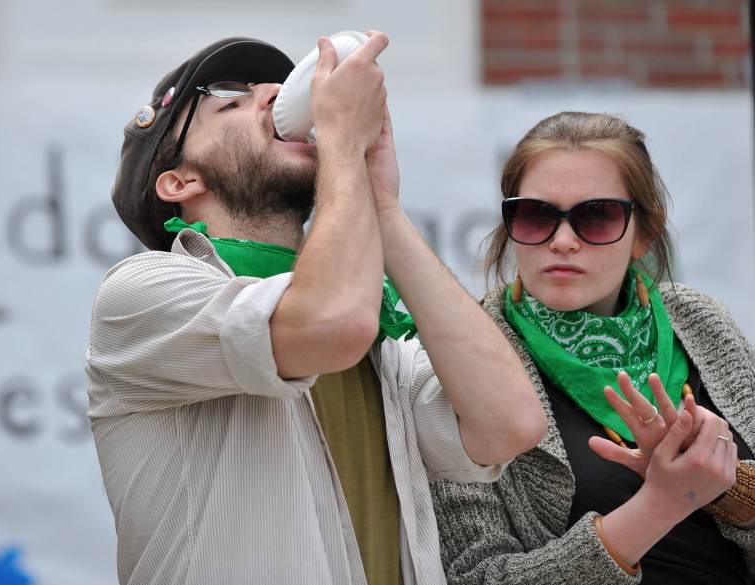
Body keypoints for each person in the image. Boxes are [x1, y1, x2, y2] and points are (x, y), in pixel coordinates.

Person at [86, 32, 547, 584]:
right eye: (230, 101)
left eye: (278, 90)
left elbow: (512, 425)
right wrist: (345, 150)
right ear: (180, 181)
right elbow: (331, 321)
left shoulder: (380, 339)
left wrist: (382, 206)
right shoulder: (143, 289)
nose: (276, 98)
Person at [430, 111, 755, 584]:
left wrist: (730, 492)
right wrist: (661, 504)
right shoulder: (464, 350)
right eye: (537, 214)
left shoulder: (701, 322)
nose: (562, 241)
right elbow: (477, 575)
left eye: (597, 216)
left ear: (645, 231)